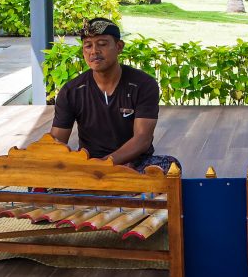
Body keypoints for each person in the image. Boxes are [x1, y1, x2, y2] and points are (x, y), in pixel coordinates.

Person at [50, 17, 180, 173]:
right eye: (88, 46)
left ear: (119, 47)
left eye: (102, 44)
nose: (94, 51)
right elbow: (57, 142)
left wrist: (106, 164)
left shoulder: (144, 84)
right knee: (41, 179)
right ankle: (120, 193)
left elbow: (142, 139)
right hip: (89, 165)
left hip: (132, 163)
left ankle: (98, 193)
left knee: (170, 167)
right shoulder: (71, 91)